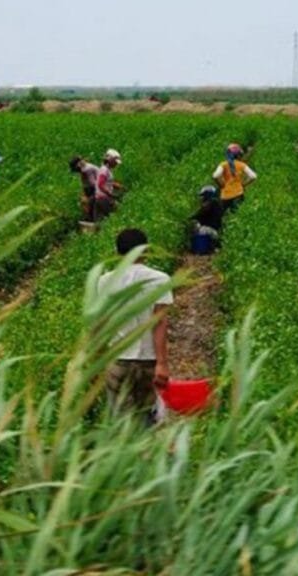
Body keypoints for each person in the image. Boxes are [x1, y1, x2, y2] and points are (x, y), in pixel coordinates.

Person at [97, 228, 174, 420]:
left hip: (117, 359)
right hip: (147, 360)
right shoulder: (159, 279)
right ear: (146, 251)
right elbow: (160, 322)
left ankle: (123, 448)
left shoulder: (104, 281)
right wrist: (162, 364)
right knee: (147, 414)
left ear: (117, 252)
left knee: (119, 417)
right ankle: (146, 448)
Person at [213, 143, 256, 212]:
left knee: (225, 215)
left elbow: (215, 175)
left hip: (225, 196)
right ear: (239, 155)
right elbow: (253, 176)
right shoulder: (241, 165)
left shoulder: (223, 164)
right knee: (238, 212)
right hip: (238, 194)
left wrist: (220, 184)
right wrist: (243, 184)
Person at [190, 185, 223, 254]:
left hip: (207, 230)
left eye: (203, 196)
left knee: (195, 224)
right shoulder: (218, 203)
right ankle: (213, 247)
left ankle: (199, 247)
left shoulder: (210, 204)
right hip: (216, 231)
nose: (202, 198)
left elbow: (199, 214)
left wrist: (189, 218)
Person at [94, 149, 123, 222]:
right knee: (111, 218)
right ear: (110, 160)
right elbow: (101, 184)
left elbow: (107, 182)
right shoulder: (104, 170)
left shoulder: (107, 170)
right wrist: (111, 194)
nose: (116, 164)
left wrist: (118, 186)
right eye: (115, 162)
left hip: (102, 198)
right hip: (104, 199)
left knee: (101, 220)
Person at [70, 155, 100, 222]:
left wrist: (88, 197)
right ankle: (90, 218)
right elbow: (85, 184)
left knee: (89, 202)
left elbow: (93, 184)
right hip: (92, 189)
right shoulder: (84, 169)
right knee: (84, 201)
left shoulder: (87, 170)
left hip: (97, 188)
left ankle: (92, 219)